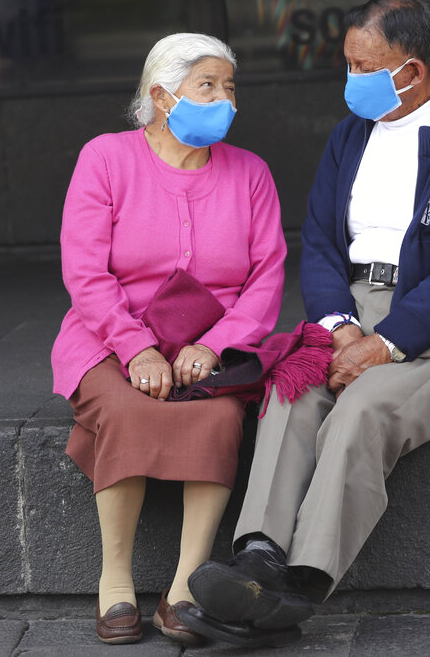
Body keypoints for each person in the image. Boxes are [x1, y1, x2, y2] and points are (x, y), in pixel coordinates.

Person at [179, 0, 430, 648]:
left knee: (362, 409)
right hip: (355, 308)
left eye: (363, 67)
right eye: (348, 63)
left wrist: (385, 343)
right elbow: (318, 241)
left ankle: (300, 587)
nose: (351, 80)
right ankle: (257, 558)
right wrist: (342, 326)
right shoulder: (354, 133)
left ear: (415, 72)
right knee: (290, 389)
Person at [50, 32, 286, 646]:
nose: (224, 100)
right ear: (161, 96)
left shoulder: (251, 173)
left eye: (229, 87)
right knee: (127, 408)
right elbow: (84, 270)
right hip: (108, 337)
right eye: (207, 85)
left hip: (210, 346)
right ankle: (116, 582)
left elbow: (266, 279)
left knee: (219, 418)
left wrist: (216, 343)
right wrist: (136, 348)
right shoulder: (105, 158)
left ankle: (184, 586)